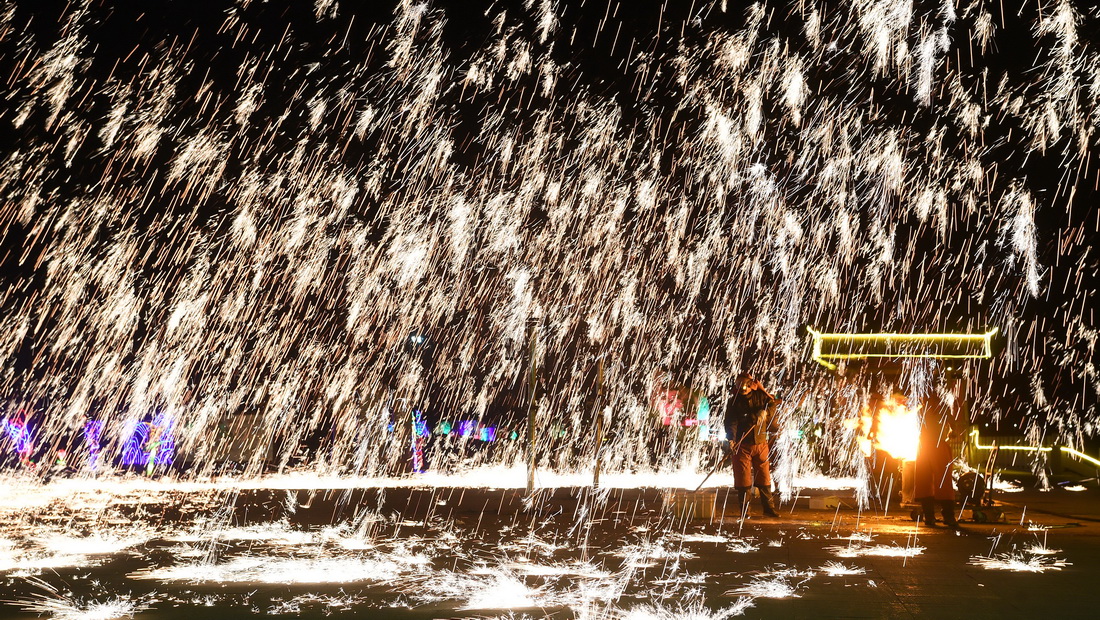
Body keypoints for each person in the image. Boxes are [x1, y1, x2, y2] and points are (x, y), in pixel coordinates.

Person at [726, 372, 781, 518]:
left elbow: (772, 403)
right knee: (743, 479)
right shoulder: (734, 402)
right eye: (739, 385)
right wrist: (731, 439)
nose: (742, 387)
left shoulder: (761, 396)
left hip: (761, 443)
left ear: (751, 384)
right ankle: (745, 511)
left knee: (764, 477)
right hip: (741, 445)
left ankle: (769, 509)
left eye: (745, 384)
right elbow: (731, 422)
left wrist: (765, 413)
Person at [913, 387, 960, 528]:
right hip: (937, 447)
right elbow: (954, 429)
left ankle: (930, 517)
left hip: (925, 448)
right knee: (943, 482)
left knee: (924, 482)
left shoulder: (921, 410)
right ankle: (948, 517)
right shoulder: (942, 409)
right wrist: (951, 433)